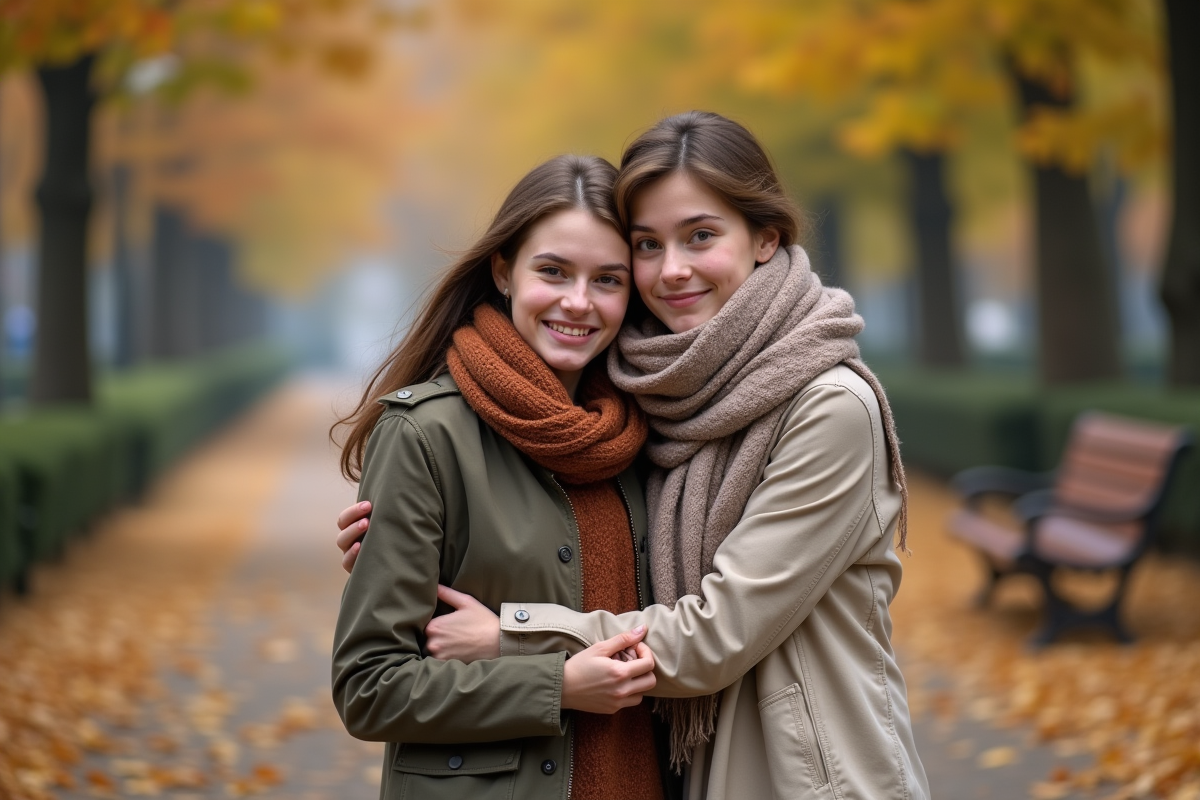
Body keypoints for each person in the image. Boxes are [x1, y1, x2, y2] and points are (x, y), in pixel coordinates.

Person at [339, 112, 930, 800]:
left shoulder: (809, 408)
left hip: (803, 778)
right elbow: (374, 678)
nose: (671, 269)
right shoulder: (660, 406)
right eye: (648, 244)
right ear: (503, 271)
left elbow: (711, 631)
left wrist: (514, 636)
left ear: (767, 237)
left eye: (700, 236)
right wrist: (410, 545)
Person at [330, 154, 681, 800]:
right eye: (553, 271)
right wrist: (557, 685)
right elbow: (369, 687)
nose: (579, 302)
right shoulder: (425, 436)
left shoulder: (646, 438)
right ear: (503, 271)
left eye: (607, 279)